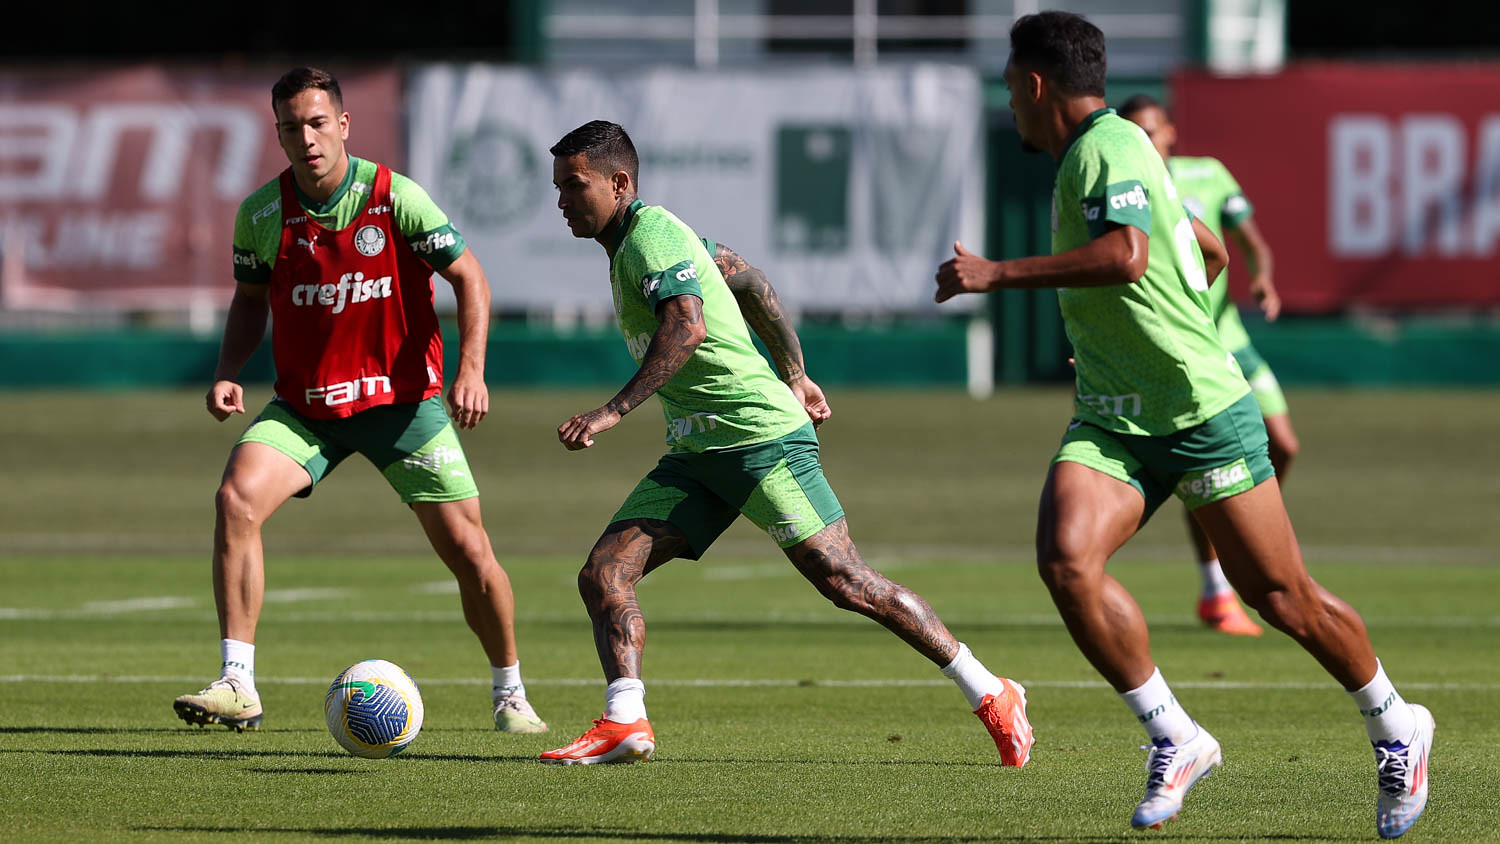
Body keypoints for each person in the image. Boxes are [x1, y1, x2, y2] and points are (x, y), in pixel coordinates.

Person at [933, 13, 1432, 838]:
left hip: (1201, 414)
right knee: (1067, 560)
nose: (1014, 112)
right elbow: (1206, 250)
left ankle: (1395, 723)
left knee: (1281, 596)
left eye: (1014, 93)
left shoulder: (1104, 146)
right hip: (1117, 418)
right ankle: (1176, 734)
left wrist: (996, 273)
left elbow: (1128, 254)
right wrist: (1131, 341)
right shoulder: (1119, 152)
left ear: (1032, 84)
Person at [537, 119, 1032, 767]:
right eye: (558, 189)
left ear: (620, 182)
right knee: (605, 574)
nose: (563, 201)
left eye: (575, 186)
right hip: (697, 452)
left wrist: (613, 411)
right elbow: (750, 282)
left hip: (760, 438)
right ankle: (625, 721)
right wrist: (797, 374)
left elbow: (686, 327)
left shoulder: (651, 235)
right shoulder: (653, 242)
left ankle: (992, 691)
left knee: (846, 581)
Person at [171, 67, 547, 736]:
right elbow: (250, 299)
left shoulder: (395, 198)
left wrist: (472, 372)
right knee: (236, 499)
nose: (307, 138)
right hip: (308, 409)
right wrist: (230, 368)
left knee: (468, 552)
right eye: (292, 128)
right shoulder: (263, 213)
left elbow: (469, 275)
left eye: (318, 123)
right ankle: (237, 682)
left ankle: (510, 692)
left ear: (344, 124)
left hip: (401, 407)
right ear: (280, 135)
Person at [1119, 93, 1301, 638]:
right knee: (1207, 472)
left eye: (1154, 132)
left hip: (1230, 340)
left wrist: (1263, 275)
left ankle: (1235, 519)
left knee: (1284, 445)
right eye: (1136, 133)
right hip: (1183, 349)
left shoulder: (1208, 175)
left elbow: (1246, 243)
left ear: (1171, 132)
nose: (1147, 142)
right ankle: (1214, 590)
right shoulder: (1128, 190)